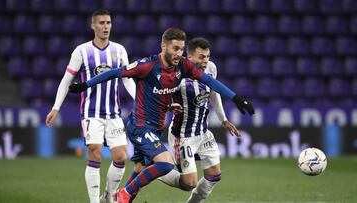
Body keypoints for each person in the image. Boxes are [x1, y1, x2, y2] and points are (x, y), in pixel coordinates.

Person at [69, 28, 254, 203]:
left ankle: (123, 198)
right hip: (140, 125)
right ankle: (123, 195)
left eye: (181, 49)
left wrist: (237, 99)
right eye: (175, 48)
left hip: (156, 128)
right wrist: (86, 85)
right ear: (163, 46)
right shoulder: (147, 66)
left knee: (141, 169)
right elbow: (115, 73)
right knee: (165, 165)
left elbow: (208, 81)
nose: (178, 53)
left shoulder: (183, 66)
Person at [45, 9, 135, 203]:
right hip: (90, 113)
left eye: (108, 23)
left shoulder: (119, 50)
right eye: (101, 23)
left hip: (113, 114)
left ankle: (109, 196)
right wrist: (55, 107)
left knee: (121, 157)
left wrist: (140, 100)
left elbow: (127, 80)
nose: (105, 27)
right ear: (93, 25)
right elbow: (66, 80)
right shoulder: (81, 51)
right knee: (94, 150)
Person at [158, 37, 240, 203]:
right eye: (201, 57)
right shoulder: (175, 74)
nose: (205, 61)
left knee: (214, 176)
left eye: (207, 56)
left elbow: (214, 92)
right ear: (189, 57)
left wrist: (223, 119)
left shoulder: (211, 68)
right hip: (183, 136)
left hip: (203, 132)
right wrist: (168, 107)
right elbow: (158, 98)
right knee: (189, 183)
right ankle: (154, 170)